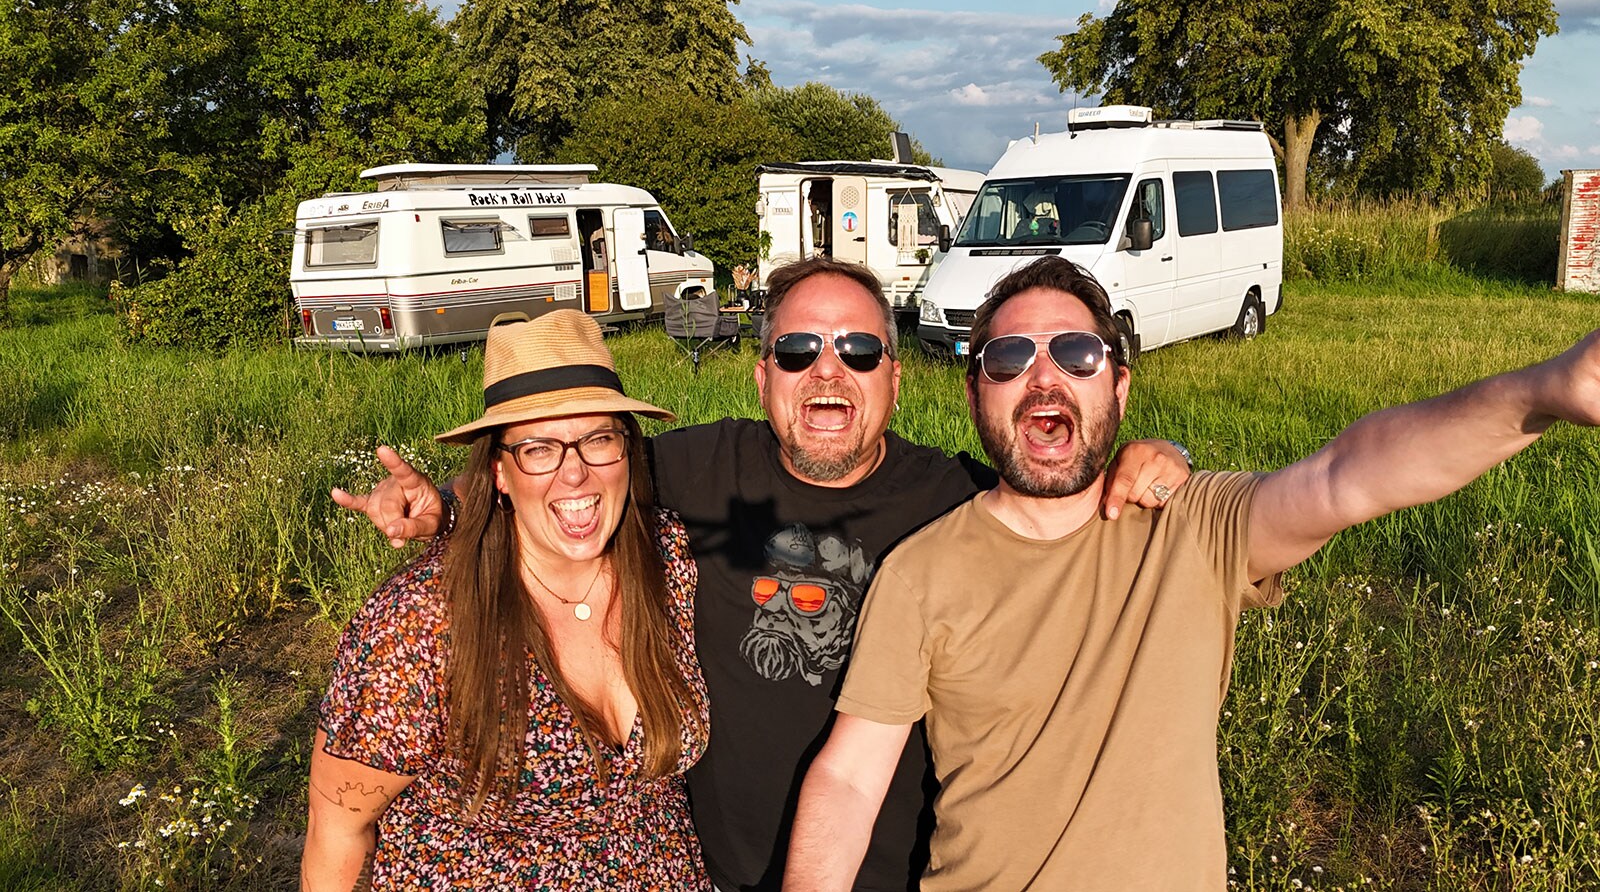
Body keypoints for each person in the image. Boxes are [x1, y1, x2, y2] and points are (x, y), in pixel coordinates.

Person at [333, 257, 1194, 891]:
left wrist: (1156, 455)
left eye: (859, 350)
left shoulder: (956, 498)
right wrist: (447, 507)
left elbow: (1059, 490)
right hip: (715, 873)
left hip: (894, 875)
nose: (828, 369)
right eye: (798, 350)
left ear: (895, 378)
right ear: (762, 377)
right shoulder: (701, 468)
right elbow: (571, 474)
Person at [783, 256, 1600, 891]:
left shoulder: (1195, 525)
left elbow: (1348, 477)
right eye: (1009, 357)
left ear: (1119, 386)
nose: (1045, 377)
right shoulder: (922, 571)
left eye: (1077, 353)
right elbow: (850, 779)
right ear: (974, 395)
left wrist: (1549, 389)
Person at [302, 311, 711, 890]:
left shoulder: (666, 560)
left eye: (598, 439)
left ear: (628, 450)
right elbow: (338, 828)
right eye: (539, 449)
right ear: (498, 472)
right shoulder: (422, 621)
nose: (575, 474)